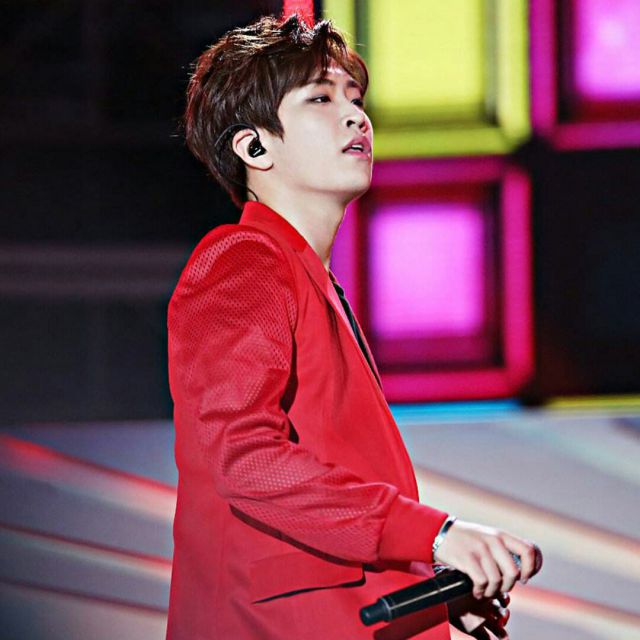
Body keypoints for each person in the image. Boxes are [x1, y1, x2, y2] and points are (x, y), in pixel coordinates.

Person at [166, 13, 538, 640]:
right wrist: (435, 535)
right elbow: (246, 459)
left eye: (356, 99)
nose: (356, 117)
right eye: (321, 98)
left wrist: (425, 589)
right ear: (255, 148)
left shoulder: (309, 280)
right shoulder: (244, 260)